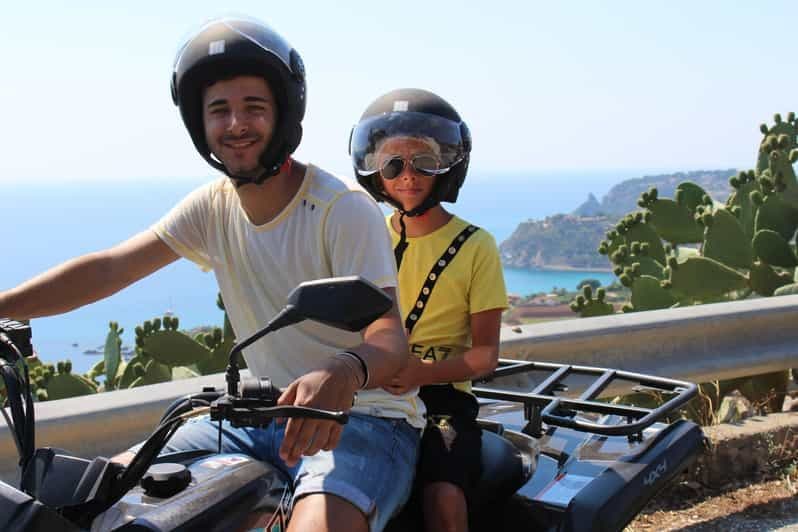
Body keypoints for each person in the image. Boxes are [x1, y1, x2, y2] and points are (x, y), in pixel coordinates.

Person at [0, 18, 424, 532]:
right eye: (219, 110)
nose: (235, 124)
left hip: (363, 420)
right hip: (258, 419)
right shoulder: (212, 206)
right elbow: (110, 268)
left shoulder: (341, 209)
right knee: (101, 494)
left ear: (284, 113)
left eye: (254, 108)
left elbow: (390, 341)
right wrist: (4, 306)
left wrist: (343, 370)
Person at [350, 88, 508, 531]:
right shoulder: (368, 237)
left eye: (423, 161)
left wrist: (420, 373)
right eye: (392, 163)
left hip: (442, 398)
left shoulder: (477, 246)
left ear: (447, 167)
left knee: (443, 495)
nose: (407, 176)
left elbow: (484, 356)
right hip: (371, 390)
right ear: (375, 171)